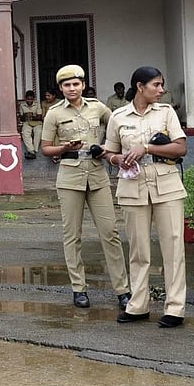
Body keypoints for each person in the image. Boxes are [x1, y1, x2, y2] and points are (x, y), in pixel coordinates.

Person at [40, 65, 130, 310]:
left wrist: (109, 150)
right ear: (61, 88)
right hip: (69, 177)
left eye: (75, 84)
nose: (72, 88)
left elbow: (118, 127)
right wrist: (63, 148)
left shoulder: (98, 107)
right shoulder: (54, 113)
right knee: (72, 236)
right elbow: (46, 148)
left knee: (110, 233)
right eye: (66, 85)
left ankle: (122, 290)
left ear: (82, 85)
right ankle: (79, 288)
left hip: (97, 174)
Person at [105, 66, 187, 328]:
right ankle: (138, 305)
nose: (161, 90)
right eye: (156, 85)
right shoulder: (118, 116)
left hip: (167, 187)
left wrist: (147, 147)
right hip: (133, 187)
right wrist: (117, 158)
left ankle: (175, 308)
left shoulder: (166, 113)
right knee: (138, 250)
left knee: (173, 248)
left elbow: (180, 147)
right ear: (140, 86)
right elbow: (109, 152)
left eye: (162, 85)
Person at [18, 90, 43, 159]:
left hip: (37, 122)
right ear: (25, 98)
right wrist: (25, 115)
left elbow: (39, 117)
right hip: (27, 122)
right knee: (25, 132)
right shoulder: (22, 105)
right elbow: (21, 118)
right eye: (28, 99)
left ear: (33, 99)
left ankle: (35, 150)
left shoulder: (37, 104)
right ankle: (31, 151)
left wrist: (32, 116)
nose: (29, 100)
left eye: (31, 99)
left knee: (38, 132)